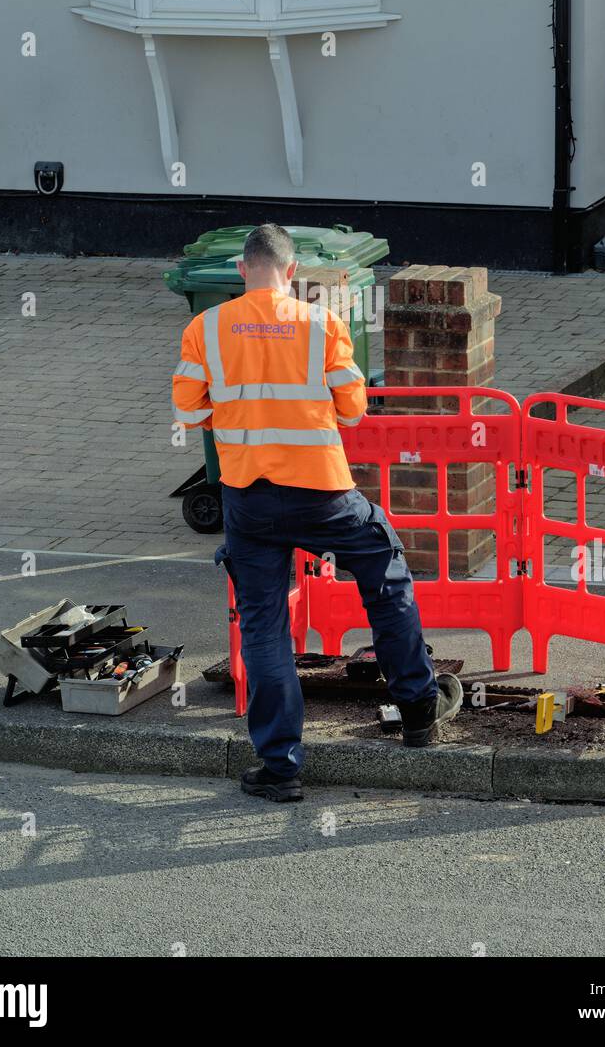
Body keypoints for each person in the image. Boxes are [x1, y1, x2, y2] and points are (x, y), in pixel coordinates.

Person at [172, 223, 462, 802]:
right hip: (324, 496)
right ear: (293, 269)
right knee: (387, 578)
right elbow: (353, 412)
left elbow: (187, 407)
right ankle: (418, 713)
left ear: (240, 271)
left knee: (264, 625)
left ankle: (280, 765)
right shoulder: (320, 324)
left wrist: (232, 419)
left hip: (248, 500)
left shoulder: (205, 328)